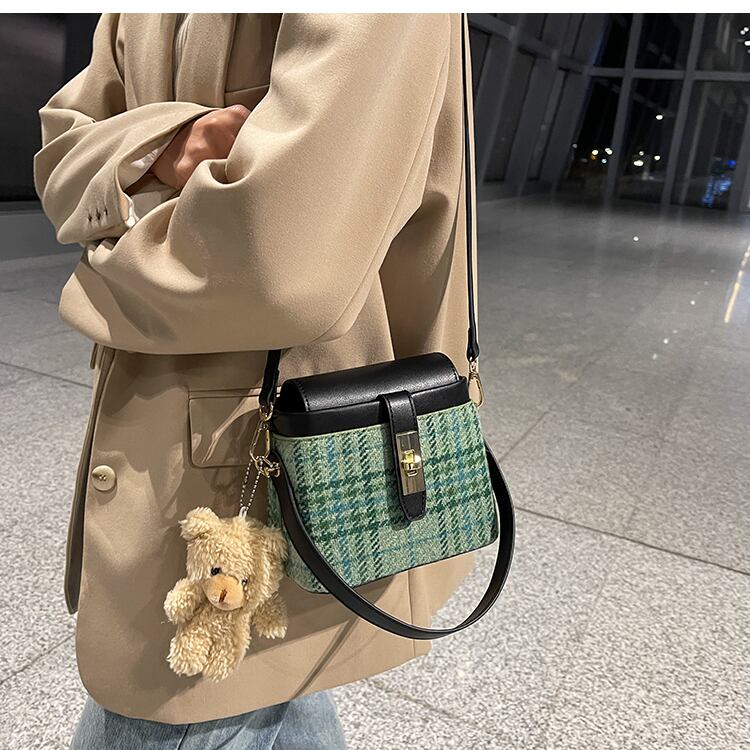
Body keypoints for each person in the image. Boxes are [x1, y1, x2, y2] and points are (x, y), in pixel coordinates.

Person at [34, 12, 477, 749]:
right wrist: (174, 142)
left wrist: (102, 260)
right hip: (206, 444)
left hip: (268, 451)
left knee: (187, 691)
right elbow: (58, 157)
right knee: (269, 689)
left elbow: (280, 266)